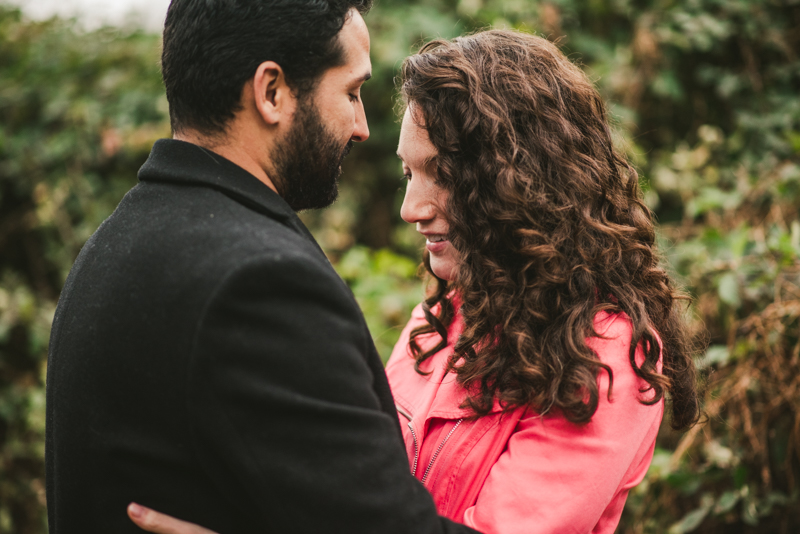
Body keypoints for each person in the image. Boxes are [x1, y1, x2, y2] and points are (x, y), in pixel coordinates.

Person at [126, 29, 700, 534]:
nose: (411, 207)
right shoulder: (444, 316)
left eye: (442, 175)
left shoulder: (605, 352)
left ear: (524, 181)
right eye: (408, 172)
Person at [45, 1, 480, 532]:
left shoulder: (116, 242)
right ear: (271, 92)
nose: (362, 126)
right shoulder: (259, 284)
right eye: (350, 92)